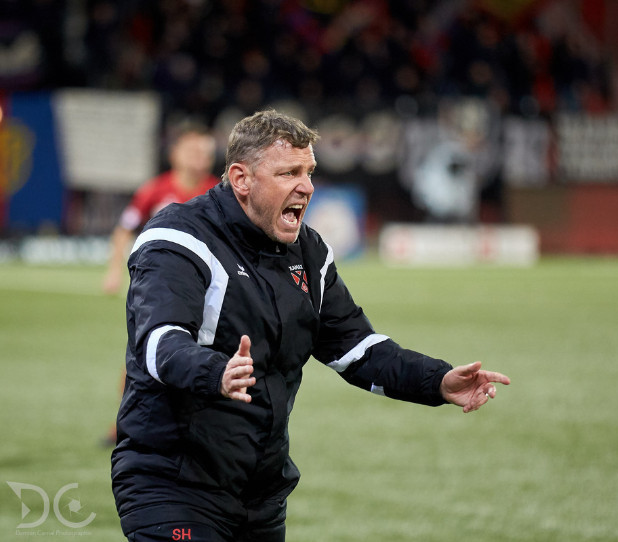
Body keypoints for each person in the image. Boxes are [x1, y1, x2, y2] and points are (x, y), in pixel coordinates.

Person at [110, 109, 511, 542]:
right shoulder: (179, 239)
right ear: (241, 179)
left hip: (261, 492)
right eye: (288, 172)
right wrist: (215, 371)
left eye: (309, 171)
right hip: (172, 482)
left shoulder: (309, 252)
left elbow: (358, 349)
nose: (307, 186)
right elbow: (158, 341)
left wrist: (436, 381)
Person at [102, 123, 219, 294]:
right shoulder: (154, 190)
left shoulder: (219, 192)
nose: (200, 157)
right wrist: (114, 271)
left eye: (205, 153)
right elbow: (125, 228)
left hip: (206, 275)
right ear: (174, 154)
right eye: (193, 151)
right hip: (160, 273)